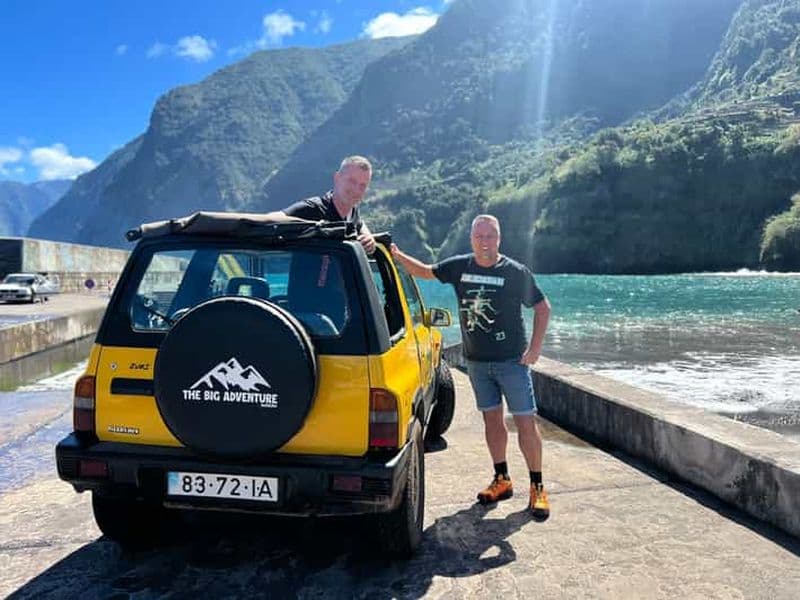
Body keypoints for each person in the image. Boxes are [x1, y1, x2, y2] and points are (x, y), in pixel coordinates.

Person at [391, 214, 552, 521]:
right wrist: (397, 257)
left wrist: (535, 349)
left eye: (490, 236)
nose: (484, 242)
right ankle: (501, 479)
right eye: (479, 236)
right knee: (492, 423)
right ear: (472, 239)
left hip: (512, 363)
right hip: (477, 363)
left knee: (526, 424)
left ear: (499, 239)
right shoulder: (460, 267)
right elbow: (426, 272)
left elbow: (543, 308)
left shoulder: (515, 272)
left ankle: (537, 487)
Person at [267, 155, 376, 254]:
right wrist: (249, 220)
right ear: (337, 178)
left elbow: (360, 223)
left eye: (362, 186)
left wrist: (368, 236)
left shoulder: (353, 212)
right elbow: (276, 218)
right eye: (352, 181)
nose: (356, 190)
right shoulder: (314, 209)